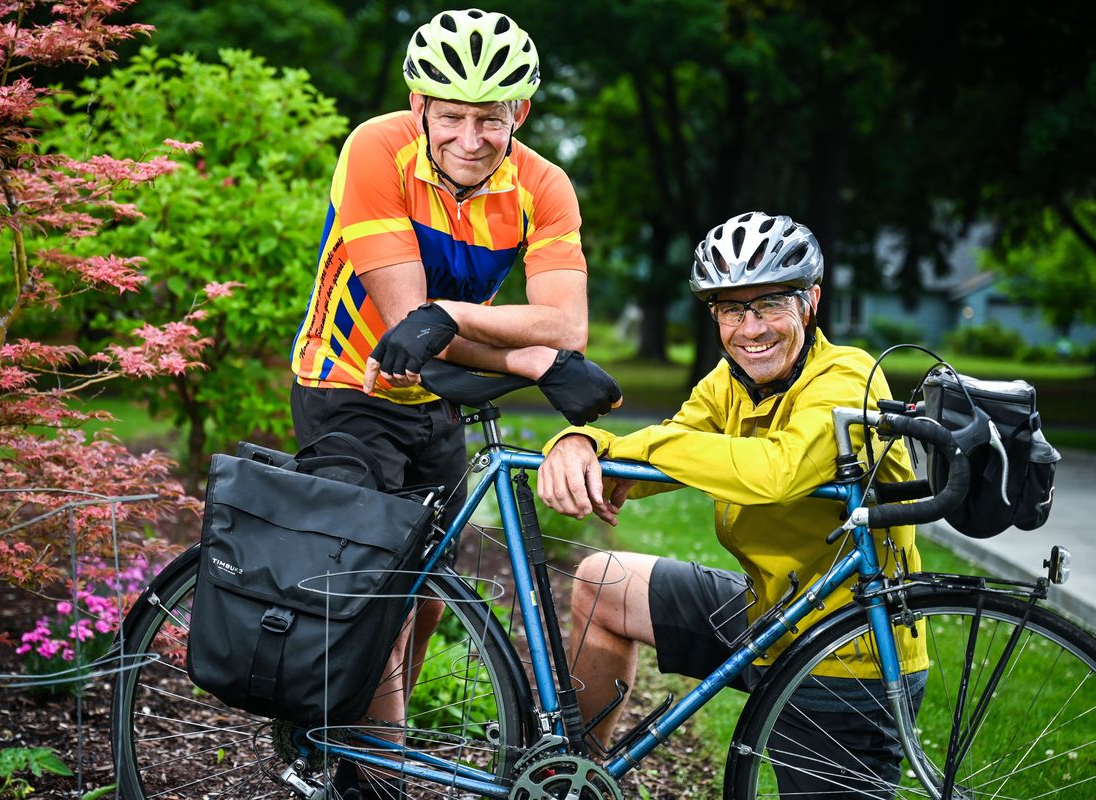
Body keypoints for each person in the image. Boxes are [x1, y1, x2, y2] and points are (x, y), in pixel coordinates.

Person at [287, 8, 619, 799]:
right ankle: (374, 779)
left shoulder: (544, 185)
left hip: (439, 398)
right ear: (419, 109)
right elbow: (410, 323)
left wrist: (467, 320)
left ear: (520, 114)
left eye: (491, 118)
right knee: (382, 598)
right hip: (349, 385)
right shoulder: (374, 149)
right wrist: (532, 355)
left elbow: (568, 320)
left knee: (429, 600)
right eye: (453, 116)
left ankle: (373, 746)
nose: (471, 137)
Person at [537, 212, 929, 798]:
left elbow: (777, 472)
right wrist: (580, 444)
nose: (750, 329)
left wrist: (648, 447)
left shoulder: (848, 379)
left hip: (845, 654)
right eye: (730, 309)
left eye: (769, 304)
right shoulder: (729, 382)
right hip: (767, 616)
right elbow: (657, 457)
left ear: (811, 301)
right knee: (602, 582)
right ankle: (577, 783)